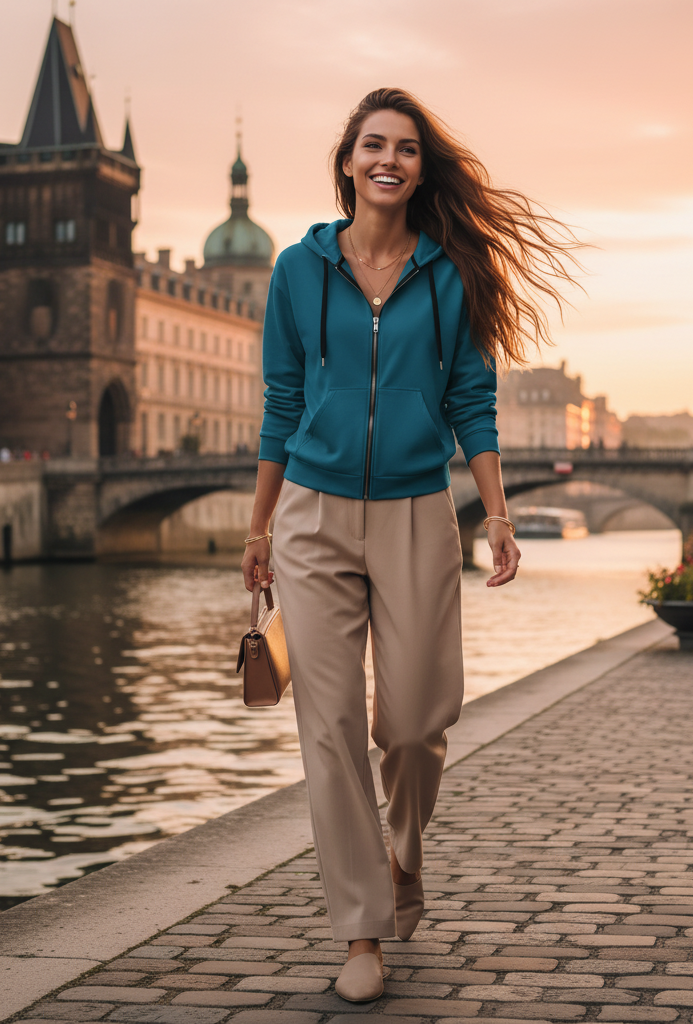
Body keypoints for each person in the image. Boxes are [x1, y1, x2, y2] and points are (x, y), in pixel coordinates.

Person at [241, 88, 578, 1003]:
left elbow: (473, 400)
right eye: (374, 145)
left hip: (418, 510)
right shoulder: (297, 270)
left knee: (419, 719)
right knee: (330, 725)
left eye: (408, 150)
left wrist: (498, 512)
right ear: (348, 161)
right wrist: (261, 524)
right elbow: (280, 401)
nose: (390, 159)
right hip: (311, 514)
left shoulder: (449, 276)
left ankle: (400, 853)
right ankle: (361, 929)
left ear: (421, 170)